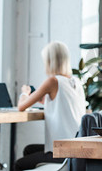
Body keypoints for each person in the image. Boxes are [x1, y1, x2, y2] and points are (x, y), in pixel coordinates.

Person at [14, 41, 86, 171]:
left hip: (63, 152)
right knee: (29, 150)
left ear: (50, 61)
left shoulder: (53, 81)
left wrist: (24, 93)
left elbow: (21, 107)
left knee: (19, 164)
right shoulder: (76, 81)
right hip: (76, 149)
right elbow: (62, 103)